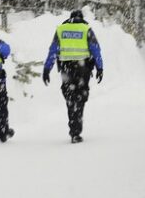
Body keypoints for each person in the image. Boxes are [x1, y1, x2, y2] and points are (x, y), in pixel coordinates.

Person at [42, 10, 103, 144]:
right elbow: (95, 49)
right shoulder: (86, 29)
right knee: (80, 98)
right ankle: (76, 128)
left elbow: (53, 50)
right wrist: (100, 68)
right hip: (83, 69)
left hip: (66, 69)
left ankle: (73, 125)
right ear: (81, 18)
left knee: (70, 97)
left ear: (70, 18)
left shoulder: (61, 30)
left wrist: (47, 68)